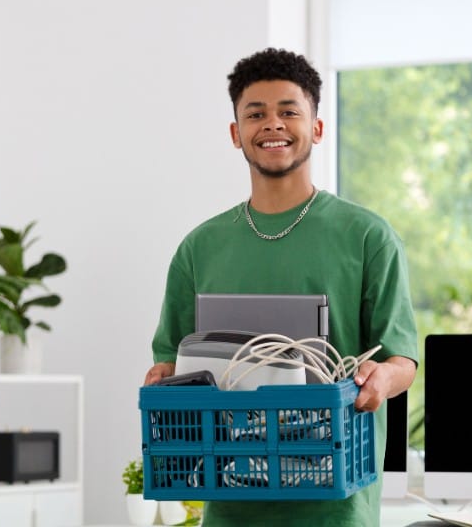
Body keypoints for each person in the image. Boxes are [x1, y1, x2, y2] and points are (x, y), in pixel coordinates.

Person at [144, 47, 418, 526]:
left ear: (317, 127)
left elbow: (402, 360)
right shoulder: (200, 247)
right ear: (236, 133)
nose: (272, 124)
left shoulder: (368, 237)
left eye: (289, 112)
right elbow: (170, 360)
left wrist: (381, 378)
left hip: (337, 510)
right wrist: (162, 379)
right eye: (256, 114)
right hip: (229, 506)